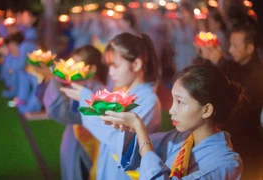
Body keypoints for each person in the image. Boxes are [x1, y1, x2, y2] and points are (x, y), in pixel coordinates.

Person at [100, 65, 245, 179]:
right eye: (173, 100)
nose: (171, 110)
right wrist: (130, 128)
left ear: (206, 110)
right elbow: (135, 152)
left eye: (180, 102)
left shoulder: (227, 163)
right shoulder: (179, 138)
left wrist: (139, 126)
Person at [60, 33, 161, 180]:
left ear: (136, 64)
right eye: (109, 66)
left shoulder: (148, 101)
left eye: (116, 66)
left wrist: (87, 98)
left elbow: (115, 138)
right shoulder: (125, 92)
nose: (111, 72)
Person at [33, 45, 107, 180]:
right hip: (72, 137)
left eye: (77, 65)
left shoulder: (99, 91)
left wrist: (52, 78)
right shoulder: (78, 85)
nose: (71, 69)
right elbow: (45, 101)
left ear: (92, 69)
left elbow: (66, 113)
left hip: (85, 142)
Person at [226, 25, 263, 179]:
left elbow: (243, 107)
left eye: (235, 46)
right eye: (230, 45)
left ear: (250, 48)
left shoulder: (257, 73)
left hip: (249, 141)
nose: (230, 50)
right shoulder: (238, 66)